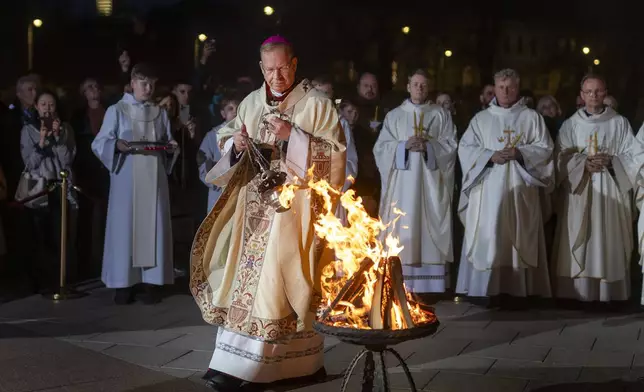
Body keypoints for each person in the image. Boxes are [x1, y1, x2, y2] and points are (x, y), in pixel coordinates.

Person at [189, 35, 346, 390]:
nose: (276, 76)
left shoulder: (318, 105)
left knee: (276, 285)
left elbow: (335, 158)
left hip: (292, 213)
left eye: (282, 68)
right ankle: (232, 363)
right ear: (261, 68)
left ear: (294, 65)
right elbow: (226, 137)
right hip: (252, 212)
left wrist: (293, 136)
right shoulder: (251, 102)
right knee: (243, 282)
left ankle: (275, 368)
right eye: (269, 69)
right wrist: (236, 143)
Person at [456, 69, 554, 306]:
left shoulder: (531, 118)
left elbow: (546, 150)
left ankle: (521, 291)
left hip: (521, 189)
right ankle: (485, 290)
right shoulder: (481, 119)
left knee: (520, 235)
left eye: (510, 87)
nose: (506, 91)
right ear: (495, 87)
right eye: (501, 87)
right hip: (488, 190)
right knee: (490, 234)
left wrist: (521, 153)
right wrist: (489, 156)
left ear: (518, 87)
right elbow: (466, 148)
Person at [554, 74, 644, 305]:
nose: (594, 96)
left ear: (605, 93)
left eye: (599, 91)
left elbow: (634, 157)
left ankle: (610, 294)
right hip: (581, 189)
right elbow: (560, 158)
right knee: (581, 236)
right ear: (582, 95)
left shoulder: (619, 123)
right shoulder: (570, 125)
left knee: (608, 236)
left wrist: (613, 161)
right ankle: (579, 293)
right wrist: (581, 163)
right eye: (589, 92)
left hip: (611, 191)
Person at [92, 64, 177, 305]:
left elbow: (166, 140)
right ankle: (123, 283)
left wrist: (171, 147)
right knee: (126, 228)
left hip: (153, 178)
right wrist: (115, 146)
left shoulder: (159, 113)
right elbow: (100, 143)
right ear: (132, 82)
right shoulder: (117, 110)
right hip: (127, 178)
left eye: (151, 84)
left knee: (153, 226)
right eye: (143, 83)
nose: (148, 88)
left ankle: (150, 281)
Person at [374, 70, 457, 293]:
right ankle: (400, 280)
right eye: (416, 84)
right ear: (408, 86)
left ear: (428, 88)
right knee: (403, 223)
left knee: (430, 223)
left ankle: (432, 287)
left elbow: (451, 146)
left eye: (424, 85)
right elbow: (381, 148)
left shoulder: (441, 115)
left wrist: (430, 147)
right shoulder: (395, 116)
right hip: (403, 185)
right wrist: (403, 146)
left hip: (431, 184)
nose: (419, 88)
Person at [197, 95, 239, 214]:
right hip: (219, 189)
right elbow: (203, 160)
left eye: (238, 108)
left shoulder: (247, 133)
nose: (235, 111)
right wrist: (212, 182)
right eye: (230, 109)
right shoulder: (213, 135)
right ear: (223, 113)